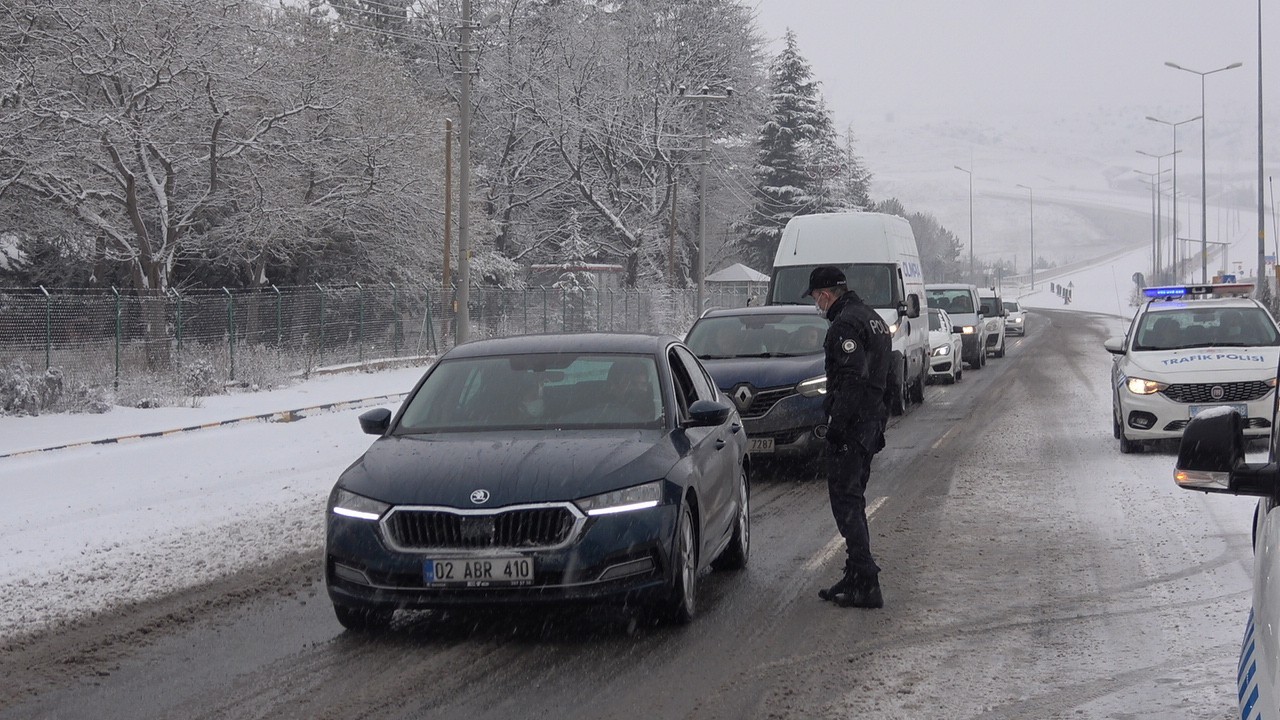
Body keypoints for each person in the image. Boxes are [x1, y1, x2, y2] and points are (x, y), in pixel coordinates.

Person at [803, 266, 891, 609]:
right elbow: (887, 373)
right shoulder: (873, 319)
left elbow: (852, 380)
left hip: (854, 427)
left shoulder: (845, 325)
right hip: (870, 423)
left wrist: (838, 427)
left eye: (815, 298)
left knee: (846, 500)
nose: (816, 305)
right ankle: (856, 574)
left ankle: (866, 582)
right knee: (853, 498)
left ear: (826, 294)